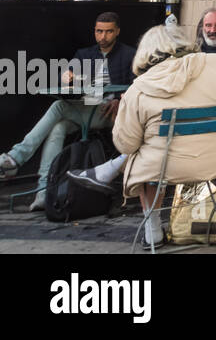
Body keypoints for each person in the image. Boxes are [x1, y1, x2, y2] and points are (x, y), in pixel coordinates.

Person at [91, 22, 216, 248]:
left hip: (163, 168)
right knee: (148, 152)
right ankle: (108, 171)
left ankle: (153, 230)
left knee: (141, 154)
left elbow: (126, 144)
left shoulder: (138, 88)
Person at [0, 12, 135, 212]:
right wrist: (66, 77)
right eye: (99, 31)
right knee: (57, 128)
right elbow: (65, 77)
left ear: (117, 32)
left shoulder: (129, 54)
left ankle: (15, 158)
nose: (103, 36)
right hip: (87, 108)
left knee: (59, 107)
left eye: (108, 32)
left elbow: (138, 86)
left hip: (113, 115)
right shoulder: (84, 54)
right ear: (94, 31)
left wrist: (120, 100)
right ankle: (43, 193)